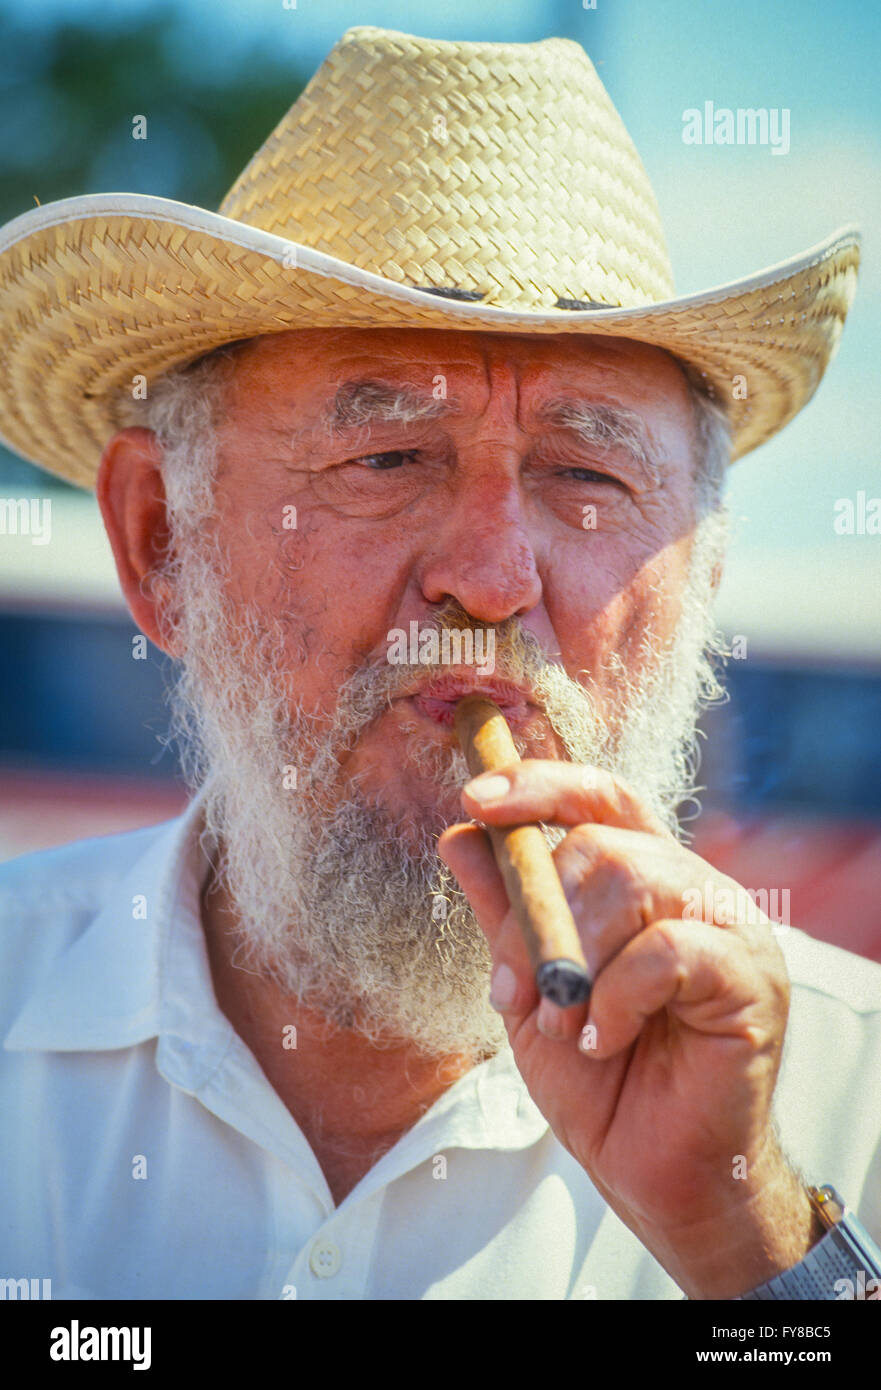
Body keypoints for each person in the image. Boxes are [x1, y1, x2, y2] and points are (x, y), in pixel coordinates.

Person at [1, 26, 879, 1302]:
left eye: (585, 474)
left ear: (700, 575)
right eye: (385, 459)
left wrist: (749, 1247)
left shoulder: (844, 1095)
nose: (491, 577)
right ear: (160, 544)